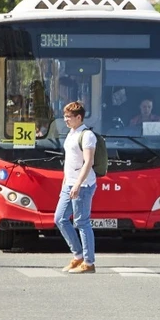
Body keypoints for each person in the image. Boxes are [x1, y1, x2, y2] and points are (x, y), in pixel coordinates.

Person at [54, 101, 97, 274]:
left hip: (83, 185)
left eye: (69, 117)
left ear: (79, 117)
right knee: (60, 219)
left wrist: (78, 184)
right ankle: (78, 256)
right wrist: (65, 182)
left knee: (82, 222)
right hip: (69, 183)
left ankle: (89, 262)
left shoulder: (87, 136)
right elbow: (70, 161)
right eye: (64, 116)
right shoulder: (72, 133)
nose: (65, 120)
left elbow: (89, 162)